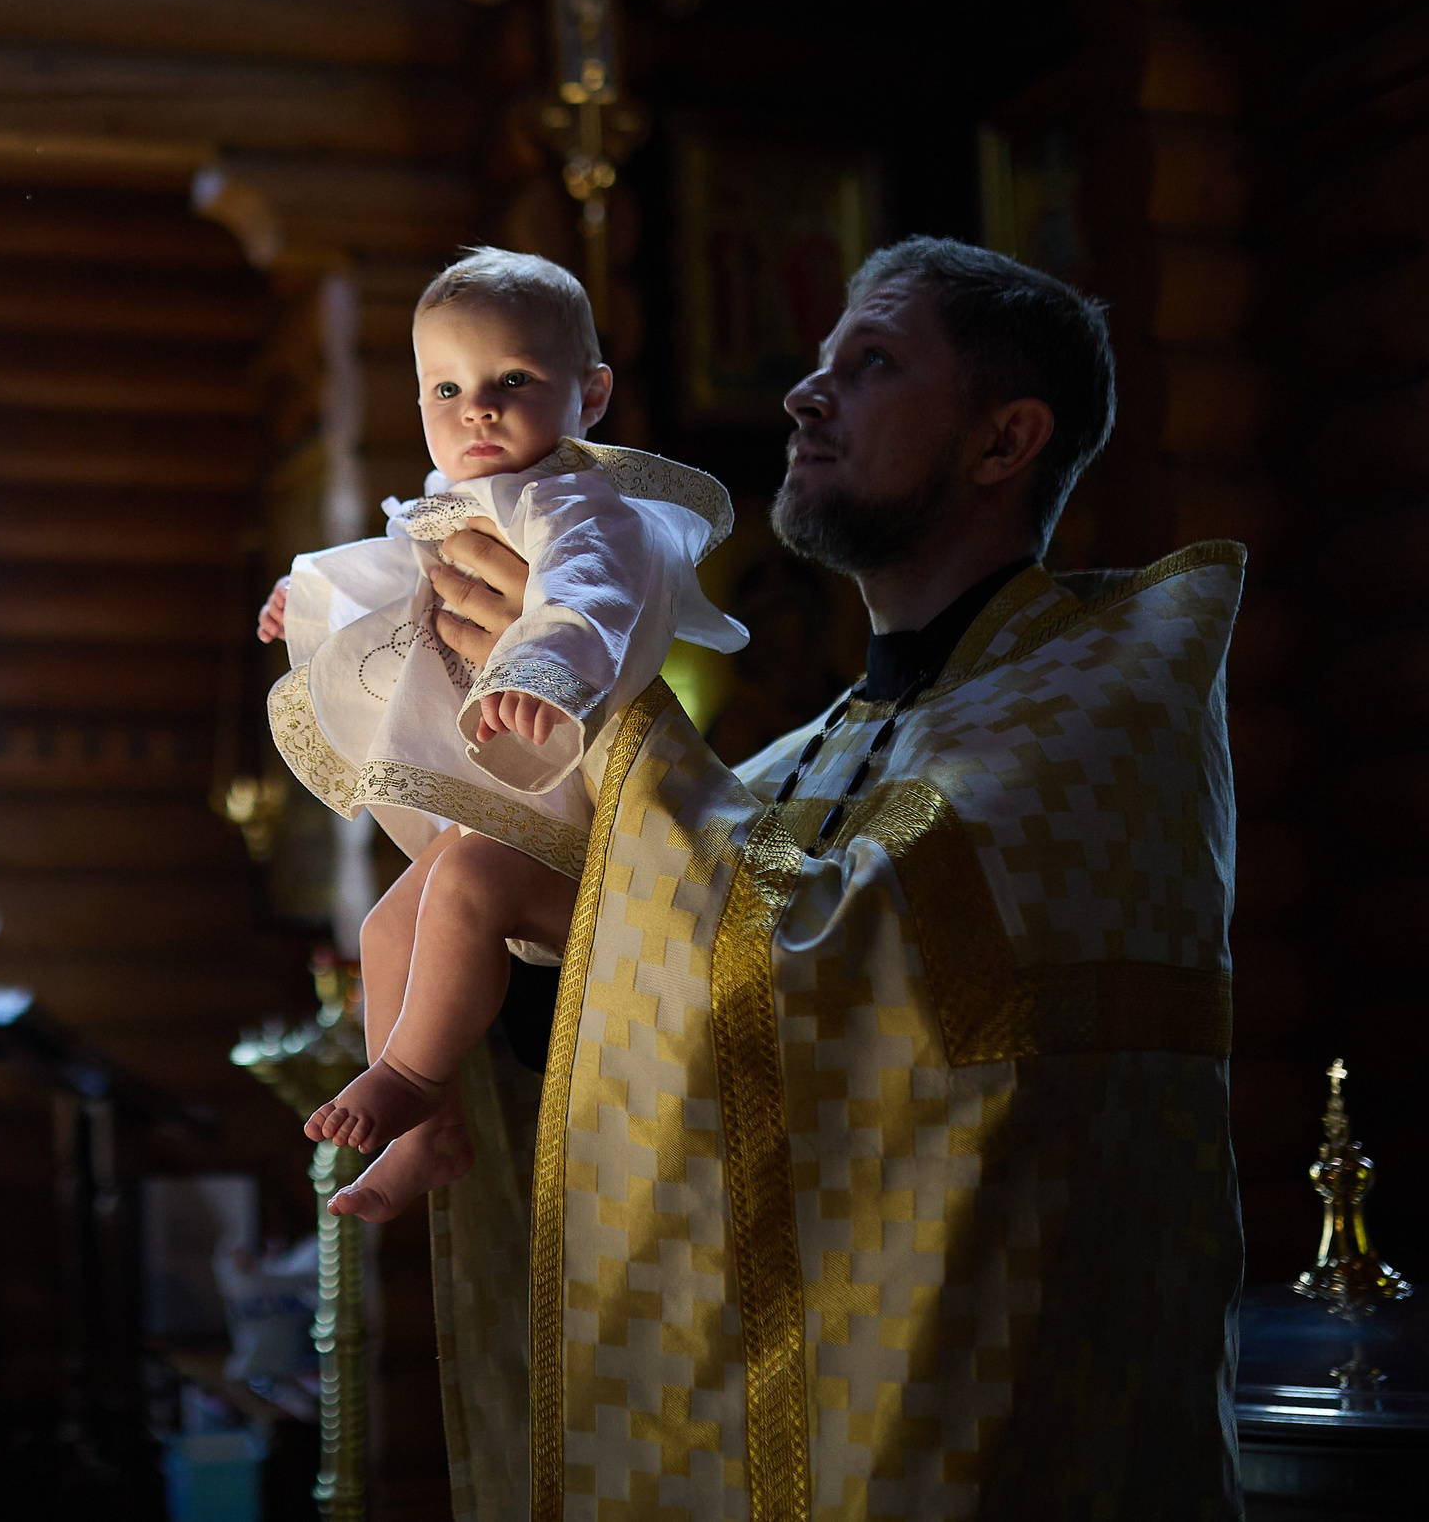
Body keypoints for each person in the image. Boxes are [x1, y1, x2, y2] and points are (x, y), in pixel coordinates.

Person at [409, 238, 1246, 1520]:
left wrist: (610, 721)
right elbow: (671, 1014)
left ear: (1002, 439)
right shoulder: (793, 760)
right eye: (816, 362)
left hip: (991, 1435)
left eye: (868, 365)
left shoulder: (1105, 709)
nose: (805, 394)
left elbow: (870, 983)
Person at [257, 248, 744, 1222]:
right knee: (385, 924)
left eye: (510, 382)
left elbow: (584, 598)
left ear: (590, 395)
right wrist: (305, 593)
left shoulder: (580, 505)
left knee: (470, 881)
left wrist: (540, 672)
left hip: (591, 828)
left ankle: (407, 1071)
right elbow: (388, 566)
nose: (475, 409)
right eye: (446, 388)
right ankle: (428, 1131)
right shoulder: (459, 501)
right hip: (512, 807)